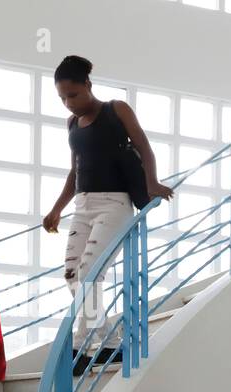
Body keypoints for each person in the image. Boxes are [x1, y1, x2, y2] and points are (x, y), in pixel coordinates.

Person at [44, 55, 173, 373]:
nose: (68, 103)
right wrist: (56, 210)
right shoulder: (72, 124)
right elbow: (75, 171)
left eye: (73, 95)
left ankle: (81, 346)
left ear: (88, 85)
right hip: (82, 207)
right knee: (73, 275)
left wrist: (152, 182)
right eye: (62, 97)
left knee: (90, 274)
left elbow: (143, 146)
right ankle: (107, 343)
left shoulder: (116, 109)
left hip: (114, 204)